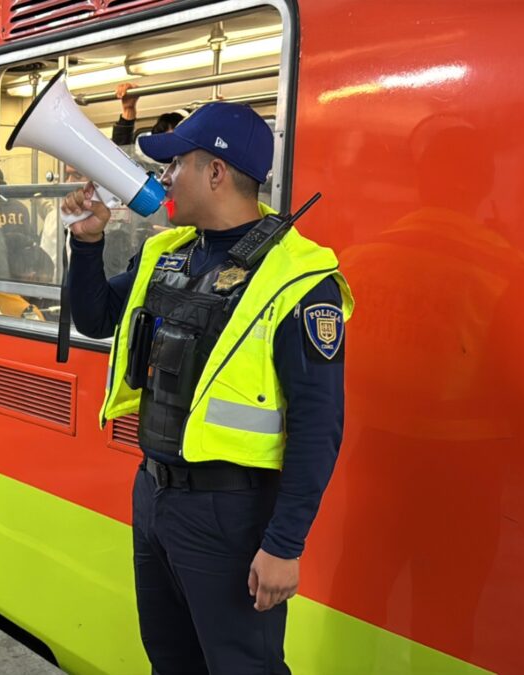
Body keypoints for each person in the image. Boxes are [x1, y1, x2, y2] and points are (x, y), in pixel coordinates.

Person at [63, 102, 353, 672]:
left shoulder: (296, 278)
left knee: (242, 665)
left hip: (232, 512)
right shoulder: (168, 254)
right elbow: (95, 319)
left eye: (176, 164)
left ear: (216, 172)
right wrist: (88, 243)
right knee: (170, 658)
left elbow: (319, 424)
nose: (166, 177)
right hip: (155, 495)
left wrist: (284, 545)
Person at [111, 83, 186, 147]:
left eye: (177, 140)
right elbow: (121, 151)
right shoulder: (155, 159)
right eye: (166, 141)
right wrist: (128, 109)